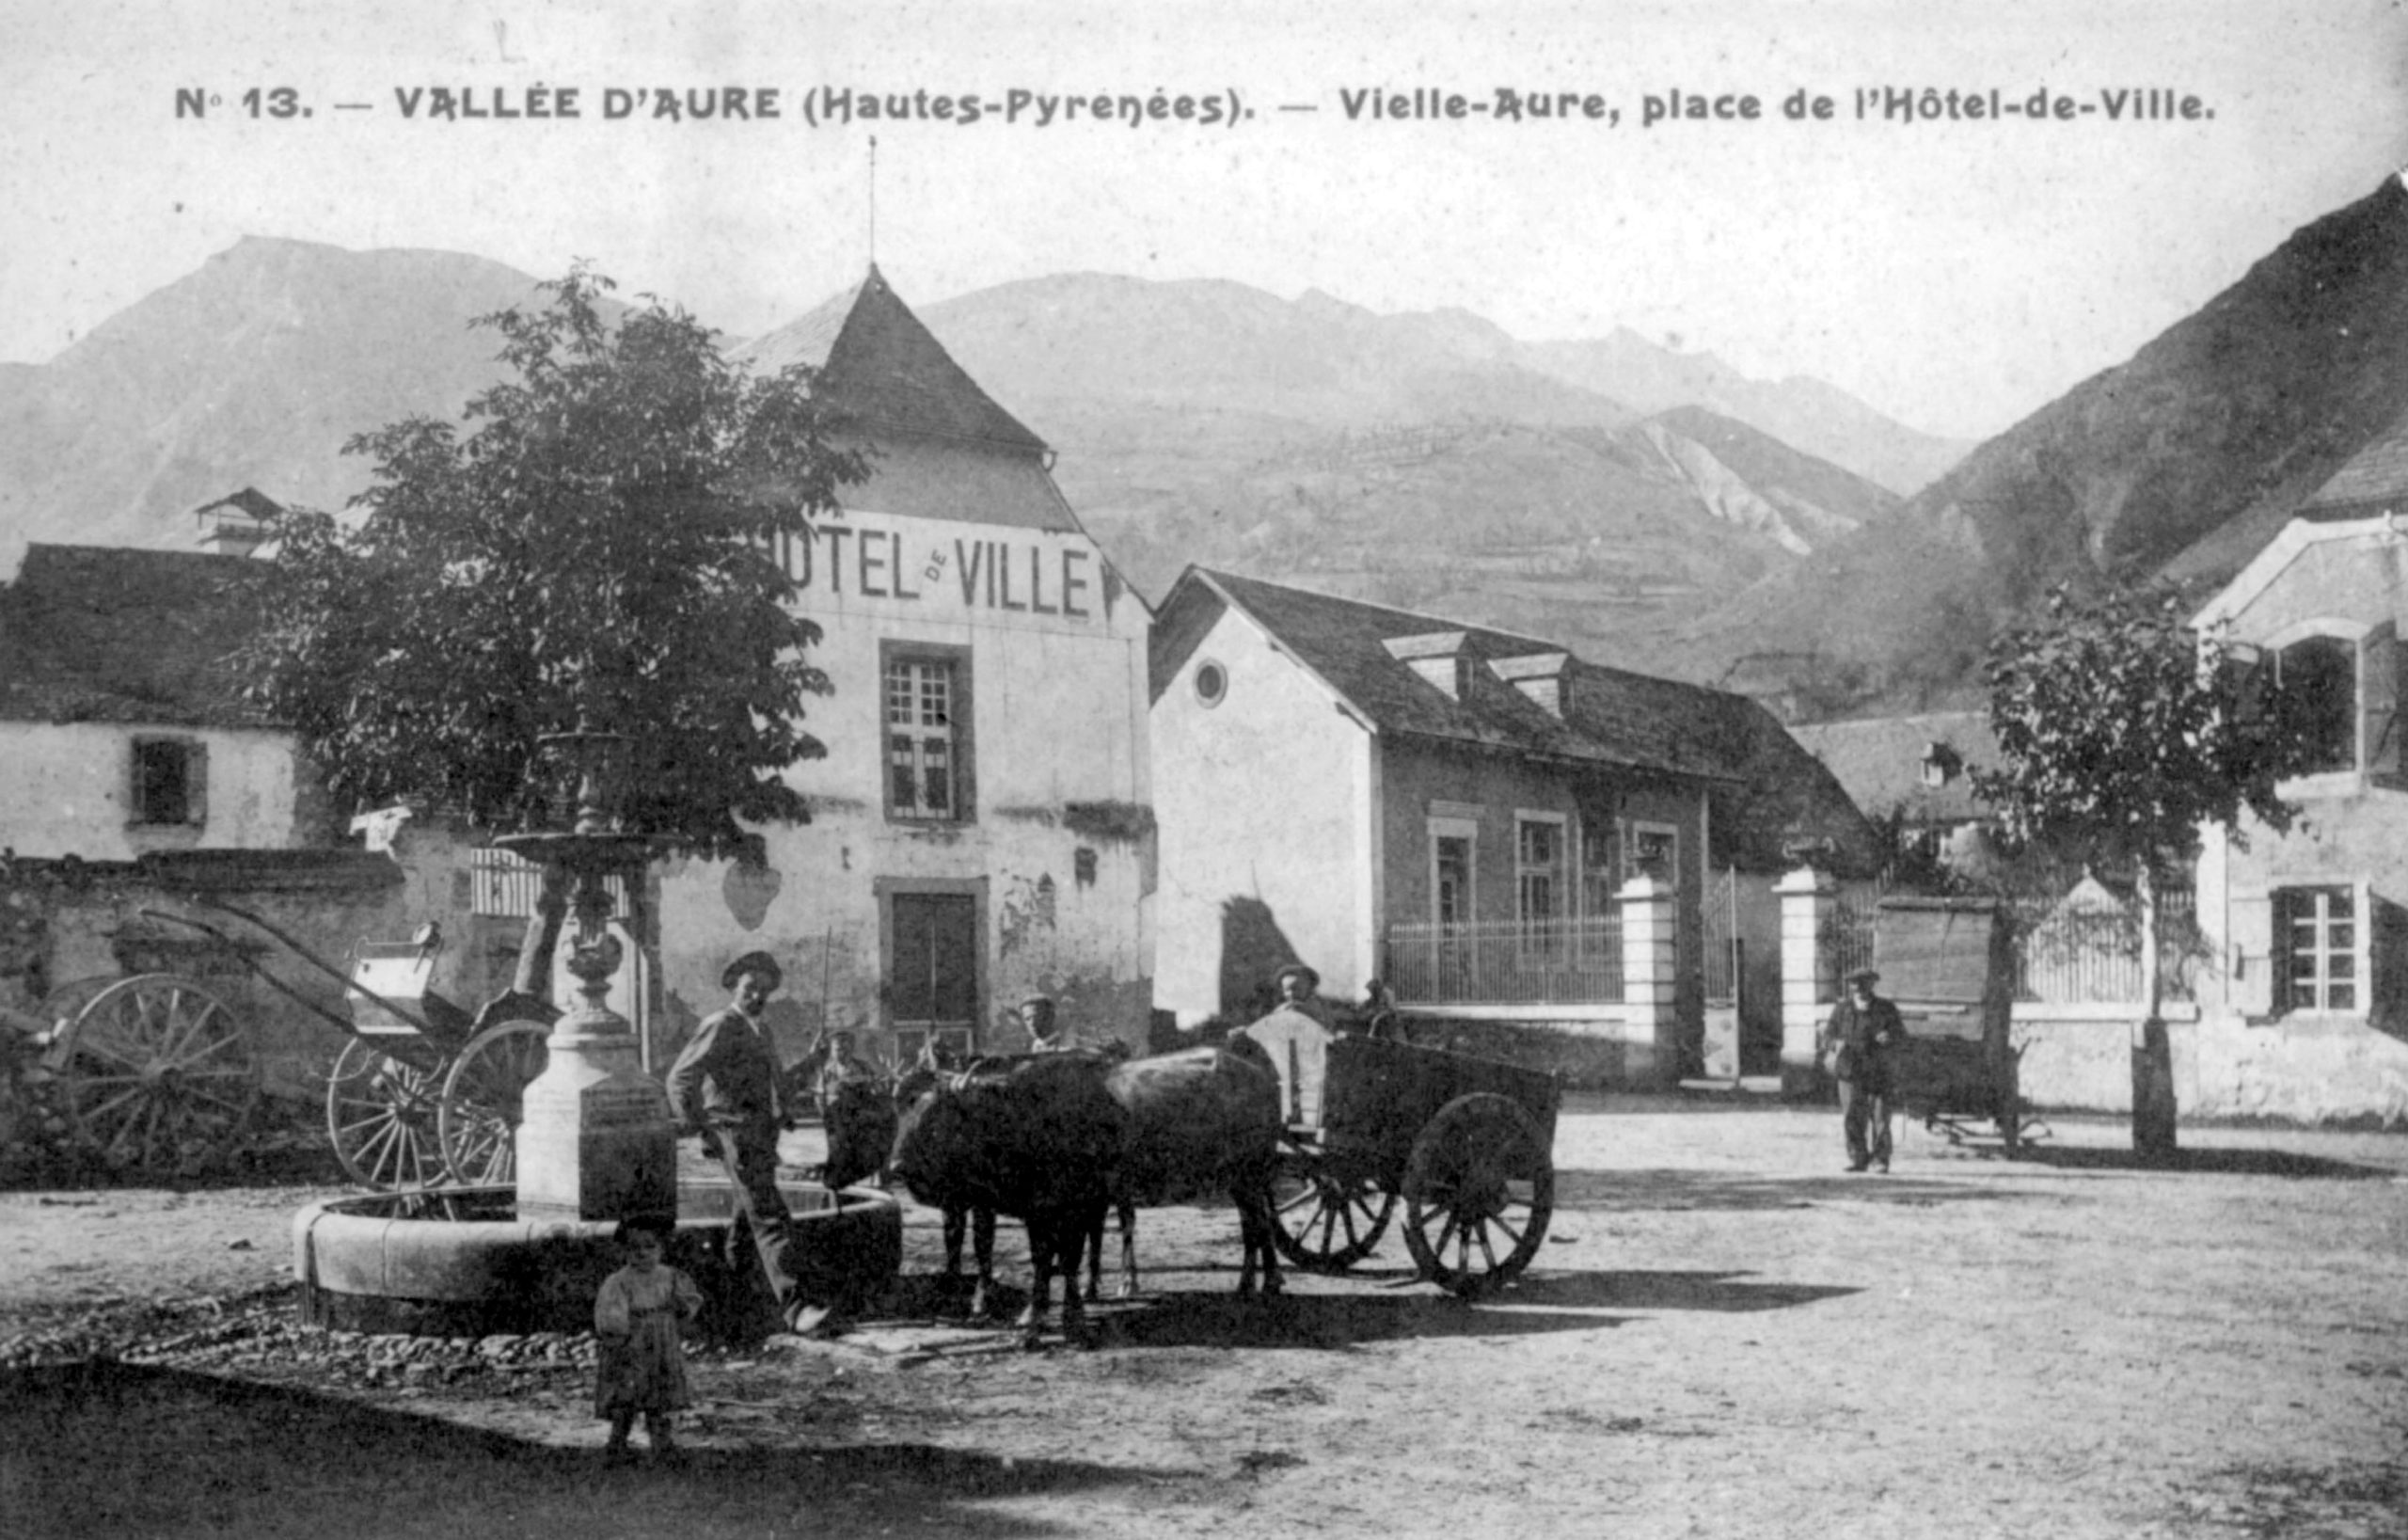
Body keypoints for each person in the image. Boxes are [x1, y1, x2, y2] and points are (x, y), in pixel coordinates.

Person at [665, 951, 831, 1334]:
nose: (757, 996)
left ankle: (730, 1303)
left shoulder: (762, 1031)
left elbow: (779, 1085)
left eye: (764, 991)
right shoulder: (721, 1024)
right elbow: (680, 1077)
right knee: (771, 1216)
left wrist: (813, 1061)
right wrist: (701, 1127)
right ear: (733, 988)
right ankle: (797, 1309)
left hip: (761, 1136)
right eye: (750, 988)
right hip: (736, 1136)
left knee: (746, 1220)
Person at [594, 1216, 703, 1468]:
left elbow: (689, 1299)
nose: (642, 1253)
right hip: (632, 1342)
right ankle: (617, 1444)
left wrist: (681, 1307)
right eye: (634, 1248)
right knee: (627, 1395)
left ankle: (661, 1444)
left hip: (662, 1341)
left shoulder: (669, 1276)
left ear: (661, 1248)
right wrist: (619, 1336)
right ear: (624, 1250)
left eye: (650, 1246)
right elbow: (611, 1313)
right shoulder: (620, 1281)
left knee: (660, 1395)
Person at [1818, 967, 1909, 1173]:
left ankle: (1880, 1159)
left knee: (1880, 1117)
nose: (1858, 987)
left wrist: (1890, 1037)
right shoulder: (1843, 1009)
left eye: (1863, 983)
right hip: (1850, 1070)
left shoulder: (1886, 1008)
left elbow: (1902, 1036)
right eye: (1854, 983)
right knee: (1852, 1115)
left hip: (1879, 1070)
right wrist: (1835, 1044)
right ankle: (1857, 1158)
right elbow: (1828, 1035)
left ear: (1872, 984)